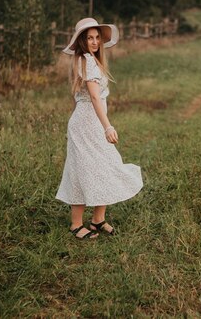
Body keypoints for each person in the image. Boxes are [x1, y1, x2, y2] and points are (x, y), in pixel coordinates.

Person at [56, 18, 143, 239]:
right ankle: (76, 224)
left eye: (97, 37)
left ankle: (97, 219)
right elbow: (94, 96)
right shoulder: (86, 61)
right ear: (82, 41)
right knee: (82, 169)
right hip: (87, 124)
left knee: (104, 165)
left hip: (90, 121)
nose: (94, 42)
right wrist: (107, 126)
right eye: (89, 38)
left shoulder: (91, 61)